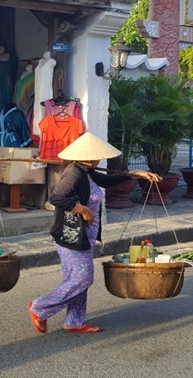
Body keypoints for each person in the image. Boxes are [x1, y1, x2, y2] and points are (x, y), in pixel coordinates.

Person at [27, 132, 161, 334]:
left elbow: (106, 181)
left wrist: (135, 174)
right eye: (98, 155)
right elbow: (56, 198)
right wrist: (83, 209)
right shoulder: (74, 174)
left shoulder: (87, 170)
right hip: (70, 235)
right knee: (83, 278)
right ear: (89, 156)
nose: (100, 158)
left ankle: (74, 321)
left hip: (84, 234)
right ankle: (40, 307)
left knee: (77, 279)